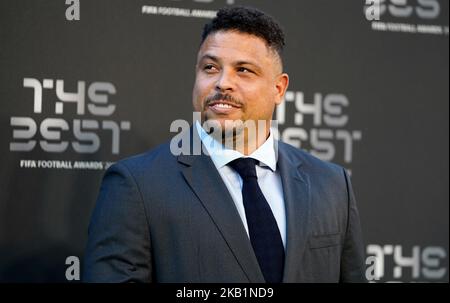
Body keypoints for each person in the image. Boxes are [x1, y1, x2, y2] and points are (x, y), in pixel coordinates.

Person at [83, 6, 366, 283]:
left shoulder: (332, 184)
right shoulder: (137, 186)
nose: (222, 83)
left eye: (243, 70)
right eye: (210, 67)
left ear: (278, 89)